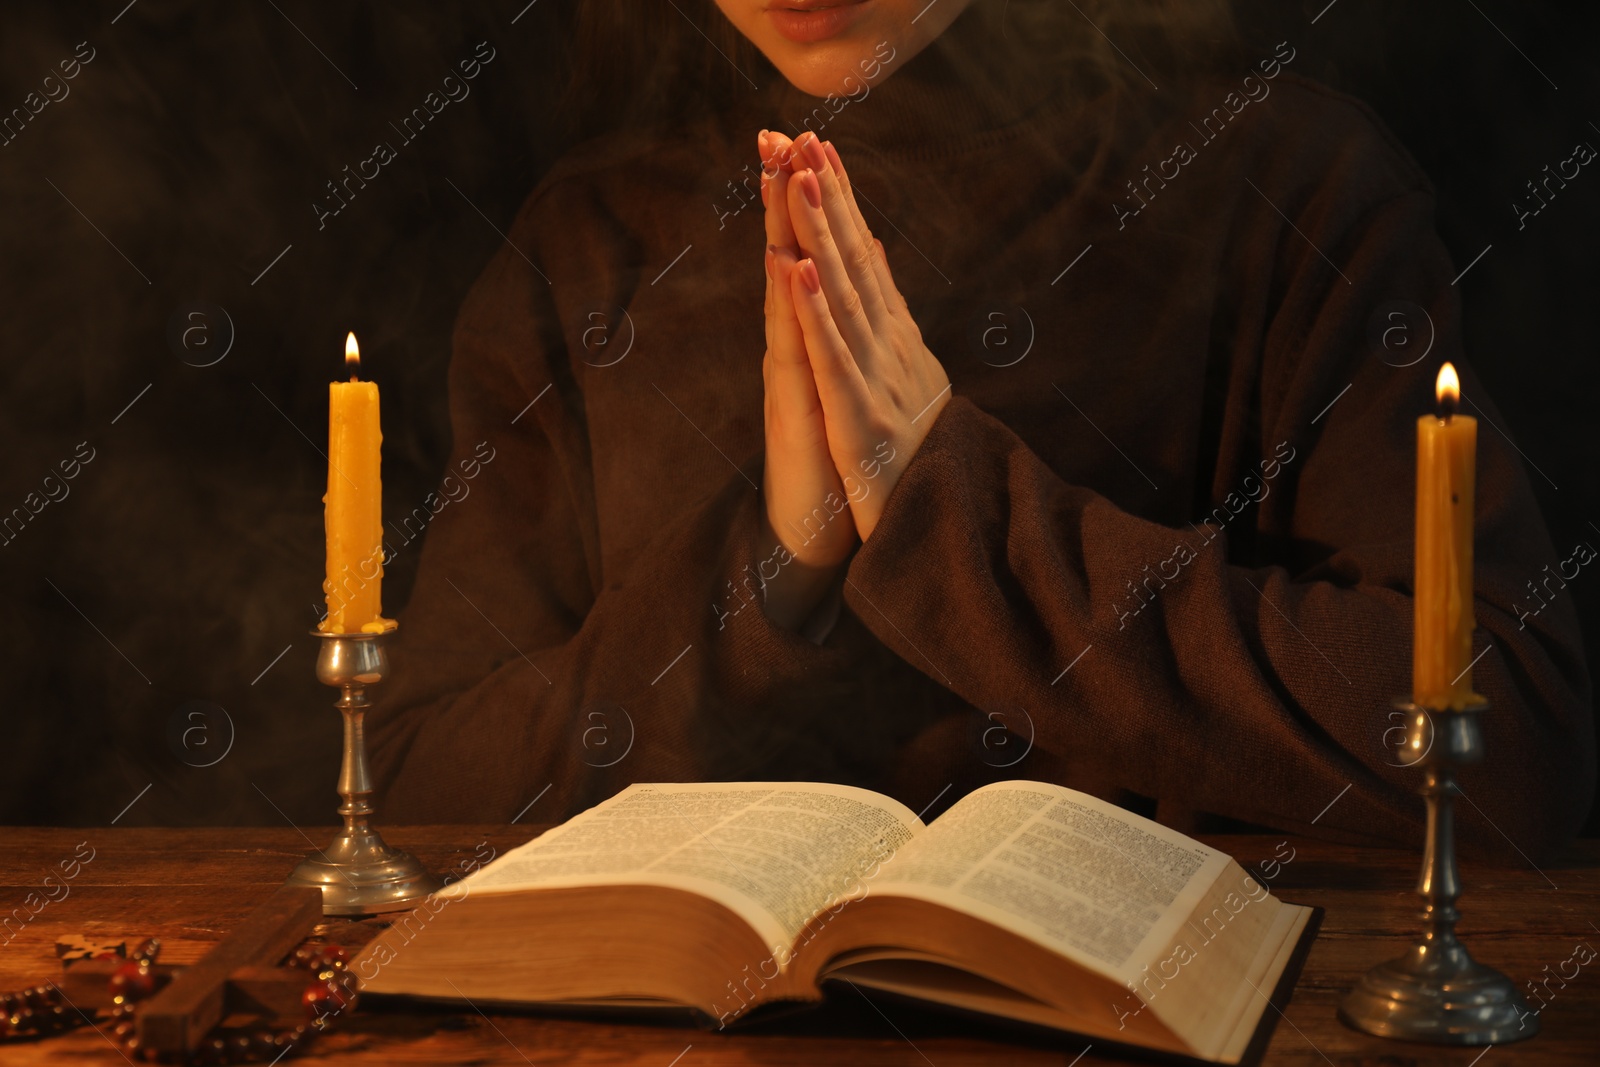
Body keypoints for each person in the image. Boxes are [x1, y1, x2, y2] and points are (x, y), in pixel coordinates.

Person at [369, 0, 1594, 862]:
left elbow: (1500, 749)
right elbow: (422, 786)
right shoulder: (588, 242)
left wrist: (938, 506)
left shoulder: (1285, 183)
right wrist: (774, 567)